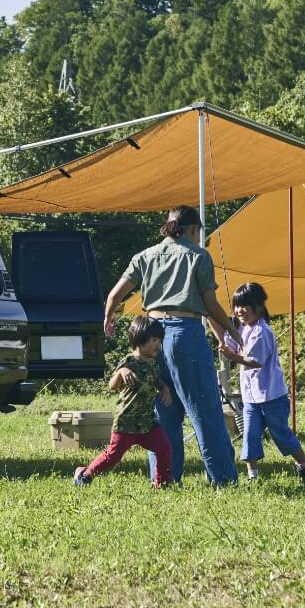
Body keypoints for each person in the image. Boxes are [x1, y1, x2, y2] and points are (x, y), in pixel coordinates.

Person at [103, 205, 240, 486]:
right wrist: (231, 332)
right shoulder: (198, 256)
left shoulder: (145, 256)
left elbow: (115, 295)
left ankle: (164, 479)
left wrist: (108, 319)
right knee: (205, 412)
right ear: (192, 229)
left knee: (163, 414)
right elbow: (210, 304)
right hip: (184, 335)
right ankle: (223, 481)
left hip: (149, 337)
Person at [217, 282, 305, 483]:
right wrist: (216, 323)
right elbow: (227, 340)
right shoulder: (243, 329)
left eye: (244, 306)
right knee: (249, 435)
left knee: (281, 435)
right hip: (251, 398)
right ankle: (252, 477)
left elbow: (255, 361)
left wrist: (233, 356)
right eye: (236, 306)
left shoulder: (261, 331)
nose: (239, 310)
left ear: (258, 307)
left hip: (272, 396)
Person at [73, 316, 174, 487]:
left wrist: (165, 389)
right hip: (126, 422)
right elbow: (112, 385)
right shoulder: (129, 361)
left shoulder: (154, 364)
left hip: (147, 422)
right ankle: (85, 474)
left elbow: (157, 381)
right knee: (113, 456)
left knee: (164, 449)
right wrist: (121, 372)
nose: (158, 344)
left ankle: (161, 484)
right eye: (154, 340)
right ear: (140, 339)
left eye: (160, 340)